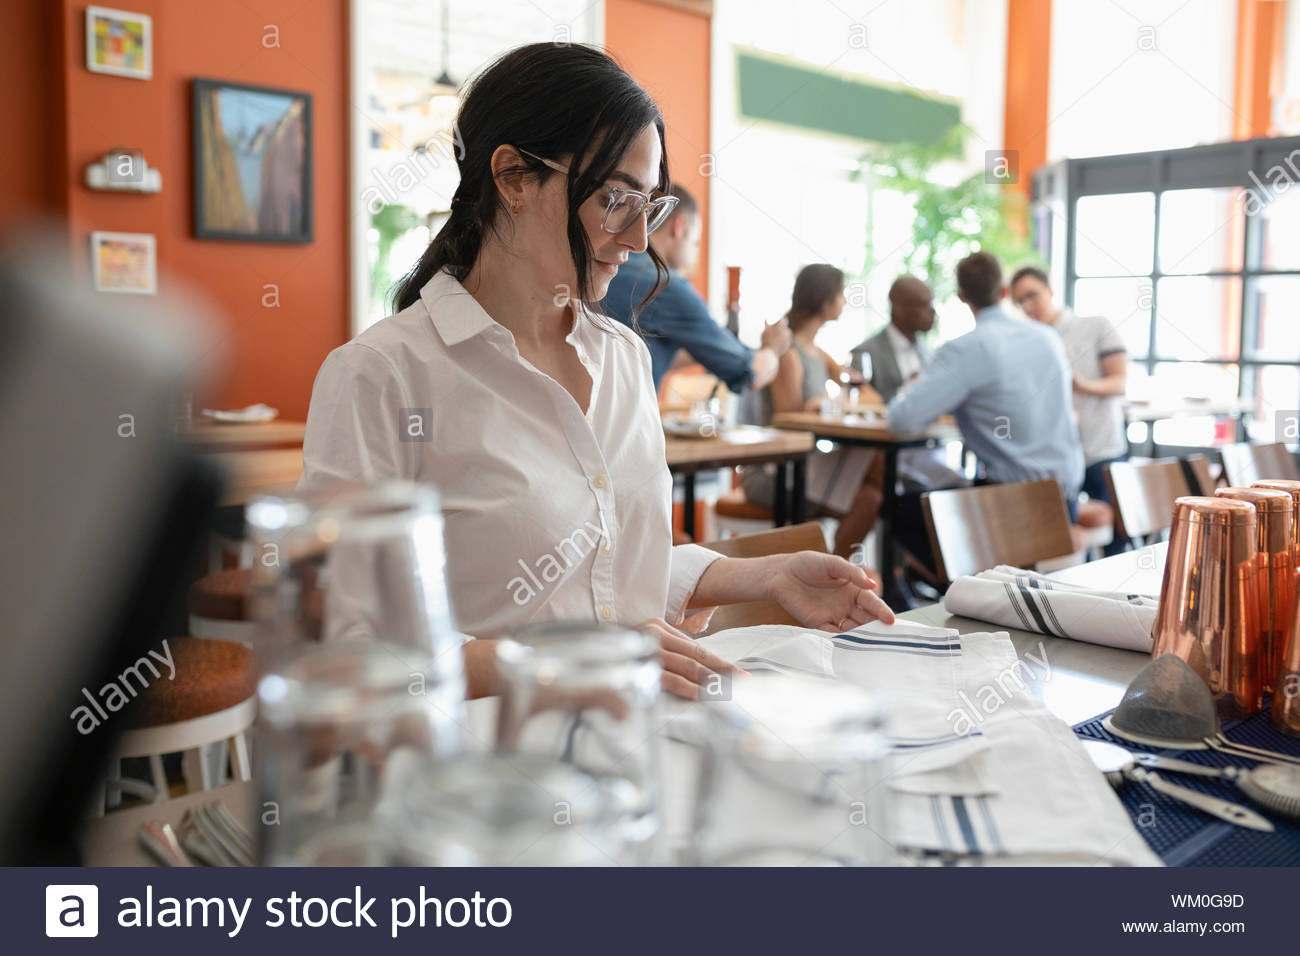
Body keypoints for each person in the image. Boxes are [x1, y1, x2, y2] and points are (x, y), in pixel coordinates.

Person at [297, 44, 893, 701]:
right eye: (615, 199)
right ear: (514, 177)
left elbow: (601, 575)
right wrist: (569, 660)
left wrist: (760, 575)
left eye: (651, 206)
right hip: (481, 771)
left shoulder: (622, 357)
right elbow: (346, 649)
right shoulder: (382, 376)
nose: (639, 239)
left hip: (629, 744)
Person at [885, 252, 1083, 570]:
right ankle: (971, 586)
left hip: (1013, 505)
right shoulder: (1048, 338)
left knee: (896, 507)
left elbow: (901, 421)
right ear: (1004, 290)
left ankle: (967, 585)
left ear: (962, 297)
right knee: (949, 493)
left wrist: (917, 391)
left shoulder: (965, 349)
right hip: (1066, 496)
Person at [740, 264, 885, 558]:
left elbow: (871, 397)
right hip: (776, 470)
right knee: (876, 478)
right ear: (824, 300)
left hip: (808, 465)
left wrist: (835, 404)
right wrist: (832, 405)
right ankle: (837, 575)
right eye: (841, 294)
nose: (845, 301)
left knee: (873, 492)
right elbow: (789, 422)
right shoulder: (789, 351)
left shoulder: (817, 352)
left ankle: (835, 573)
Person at [601, 184, 792, 392]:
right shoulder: (666, 285)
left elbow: (634, 353)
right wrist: (773, 349)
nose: (694, 255)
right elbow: (748, 373)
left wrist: (705, 345)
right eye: (696, 242)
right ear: (679, 227)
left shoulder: (610, 267)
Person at [1010, 265, 1128, 546]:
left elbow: (1119, 384)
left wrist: (1080, 385)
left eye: (1032, 296)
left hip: (1101, 450)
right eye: (1020, 302)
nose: (1028, 306)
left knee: (1116, 537)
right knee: (1060, 538)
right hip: (1056, 460)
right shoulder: (1026, 341)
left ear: (1050, 291)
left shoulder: (1095, 326)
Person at [851, 275, 936, 402]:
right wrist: (907, 390)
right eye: (924, 304)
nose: (932, 311)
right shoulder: (864, 353)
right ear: (899, 307)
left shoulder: (928, 353)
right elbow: (856, 403)